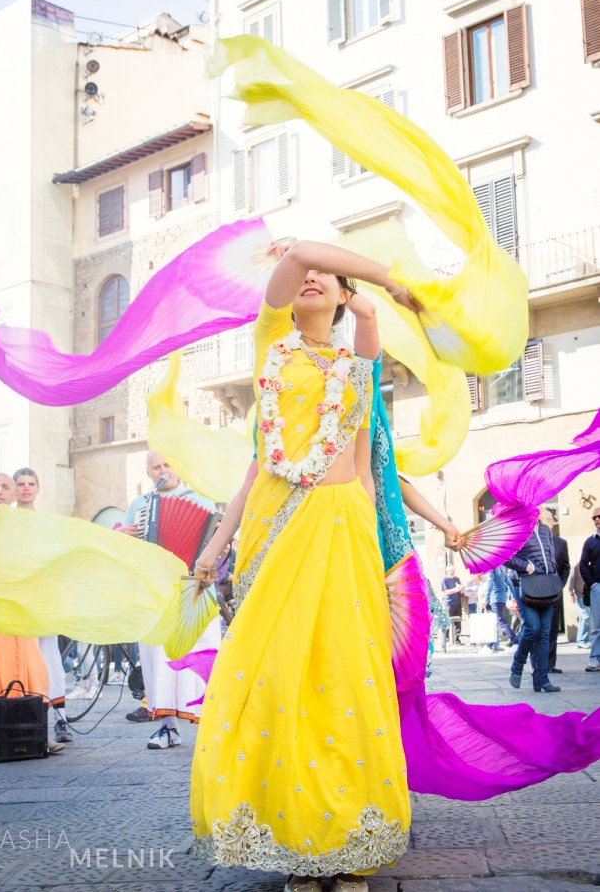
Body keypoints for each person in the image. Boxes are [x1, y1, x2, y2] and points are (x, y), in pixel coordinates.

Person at [189, 238, 454, 892]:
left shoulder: (355, 357)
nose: (309, 278)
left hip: (341, 524)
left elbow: (364, 459)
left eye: (324, 278)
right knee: (277, 677)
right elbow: (259, 461)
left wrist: (372, 308)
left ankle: (345, 839)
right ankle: (292, 839)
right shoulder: (271, 340)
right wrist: (216, 545)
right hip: (276, 528)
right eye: (304, 275)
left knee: (342, 674)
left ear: (339, 296)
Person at [119, 451, 221, 748]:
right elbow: (128, 553)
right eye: (156, 467)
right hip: (156, 589)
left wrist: (221, 551)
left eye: (167, 464)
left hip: (194, 587)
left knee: (201, 650)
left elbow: (218, 544)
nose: (163, 470)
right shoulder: (139, 506)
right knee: (157, 657)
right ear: (148, 472)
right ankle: (168, 727)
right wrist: (124, 536)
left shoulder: (201, 500)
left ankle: (209, 727)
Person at [0, 475, 63, 752]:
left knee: (30, 674)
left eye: (5, 487)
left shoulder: (25, 530)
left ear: (13, 497)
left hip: (17, 617)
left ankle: (35, 737)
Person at [14, 467, 73, 744]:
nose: (26, 488)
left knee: (50, 659)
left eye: (31, 483)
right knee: (21, 663)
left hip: (41, 598)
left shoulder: (45, 522)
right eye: (21, 484)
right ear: (15, 489)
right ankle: (27, 723)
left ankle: (60, 721)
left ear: (37, 488)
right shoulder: (6, 521)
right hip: (15, 600)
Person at [507, 508, 561, 693]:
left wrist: (553, 573)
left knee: (545, 633)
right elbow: (506, 556)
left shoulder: (545, 530)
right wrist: (526, 567)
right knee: (533, 627)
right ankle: (518, 665)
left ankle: (542, 680)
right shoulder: (517, 531)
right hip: (525, 585)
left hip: (546, 585)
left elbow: (550, 555)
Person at [543, 507, 570, 674]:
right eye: (542, 519)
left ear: (553, 521)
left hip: (555, 591)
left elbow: (566, 567)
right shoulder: (533, 541)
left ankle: (550, 664)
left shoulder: (561, 543)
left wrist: (560, 585)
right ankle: (539, 664)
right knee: (538, 629)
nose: (546, 522)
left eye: (549, 518)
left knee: (552, 628)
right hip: (536, 591)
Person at [580, 506, 600, 672]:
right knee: (597, 625)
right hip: (597, 587)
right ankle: (594, 658)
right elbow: (583, 565)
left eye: (599, 517)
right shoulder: (590, 541)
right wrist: (592, 584)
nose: (597, 520)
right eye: (594, 518)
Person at [485, 566, 519, 649]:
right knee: (495, 622)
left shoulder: (490, 568)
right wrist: (514, 597)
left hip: (494, 597)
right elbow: (509, 583)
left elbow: (490, 582)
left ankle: (516, 640)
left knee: (500, 621)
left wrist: (486, 598)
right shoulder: (502, 567)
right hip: (502, 598)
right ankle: (489, 645)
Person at [440, 565, 464, 645]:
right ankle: (446, 640)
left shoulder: (457, 579)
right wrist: (455, 589)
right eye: (451, 570)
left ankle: (456, 640)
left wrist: (462, 588)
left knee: (457, 622)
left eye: (453, 570)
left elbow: (460, 590)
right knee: (447, 622)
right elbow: (446, 592)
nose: (452, 571)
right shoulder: (444, 580)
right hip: (449, 603)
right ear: (447, 571)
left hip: (458, 602)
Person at [569, 561, 591, 648]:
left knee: (583, 618)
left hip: (588, 596)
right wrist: (571, 594)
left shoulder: (591, 566)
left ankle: (580, 641)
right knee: (586, 617)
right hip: (579, 596)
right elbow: (570, 580)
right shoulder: (576, 566)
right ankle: (582, 640)